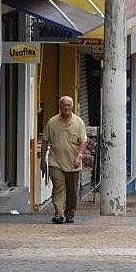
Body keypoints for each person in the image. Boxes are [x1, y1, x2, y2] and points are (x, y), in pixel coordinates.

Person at [40, 96, 88, 224]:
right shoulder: (52, 122)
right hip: (55, 162)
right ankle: (59, 213)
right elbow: (45, 141)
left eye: (68, 105)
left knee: (72, 191)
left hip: (73, 163)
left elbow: (83, 142)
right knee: (58, 187)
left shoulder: (79, 123)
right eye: (63, 105)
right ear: (59, 106)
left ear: (72, 107)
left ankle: (70, 212)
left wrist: (79, 156)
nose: (66, 108)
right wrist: (42, 160)